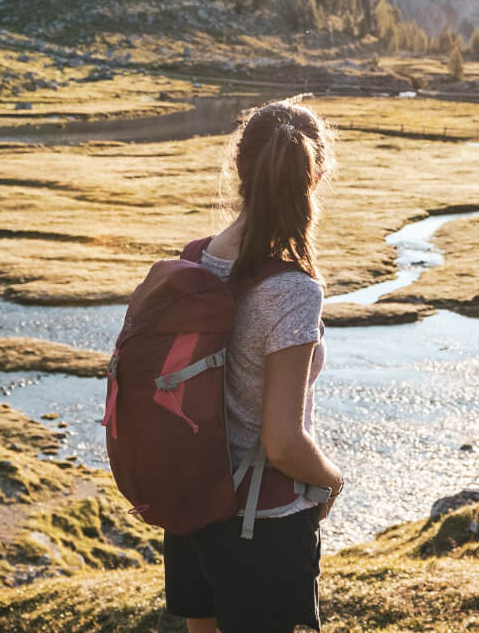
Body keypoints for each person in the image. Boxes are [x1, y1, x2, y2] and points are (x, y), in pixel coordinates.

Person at [163, 98, 347, 633]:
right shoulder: (293, 290)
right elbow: (284, 442)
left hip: (192, 511)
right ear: (314, 177)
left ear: (239, 169)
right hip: (260, 527)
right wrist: (332, 482)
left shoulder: (196, 259)